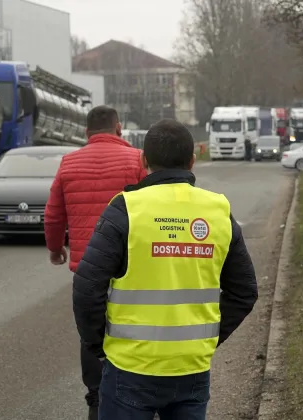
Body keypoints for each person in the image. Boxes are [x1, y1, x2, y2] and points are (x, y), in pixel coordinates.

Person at [72, 119, 258, 420]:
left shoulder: (125, 208)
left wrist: (98, 346)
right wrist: (207, 339)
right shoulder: (218, 211)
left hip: (130, 366)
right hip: (191, 368)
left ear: (144, 160)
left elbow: (86, 288)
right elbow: (245, 291)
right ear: (192, 161)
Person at [44, 105, 147, 420]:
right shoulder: (137, 160)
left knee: (91, 331)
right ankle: (136, 394)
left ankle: (96, 400)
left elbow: (53, 214)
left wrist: (55, 249)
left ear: (87, 133)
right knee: (132, 329)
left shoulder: (69, 162)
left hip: (88, 268)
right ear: (119, 128)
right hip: (130, 266)